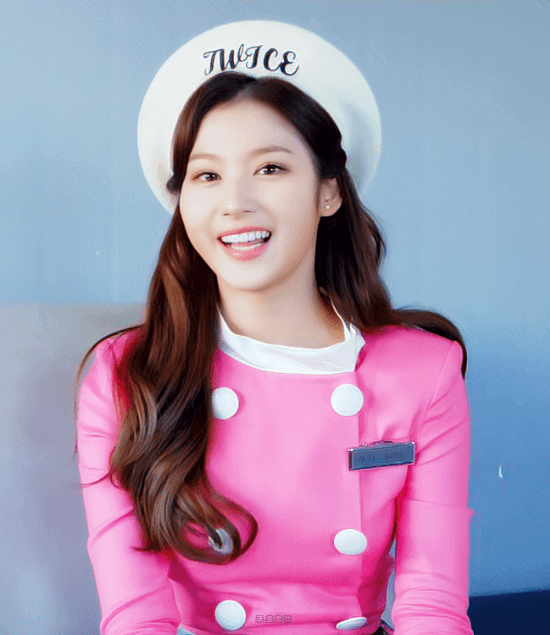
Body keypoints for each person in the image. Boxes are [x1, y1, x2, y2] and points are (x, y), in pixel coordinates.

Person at [74, 20, 474, 635]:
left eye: (270, 168)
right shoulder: (126, 375)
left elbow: (432, 607)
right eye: (207, 176)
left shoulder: (424, 371)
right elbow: (136, 617)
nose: (235, 202)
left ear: (328, 193)